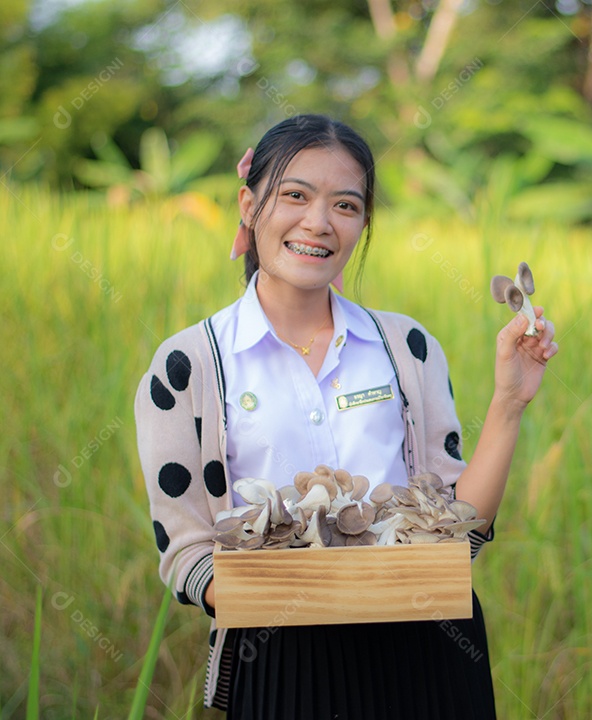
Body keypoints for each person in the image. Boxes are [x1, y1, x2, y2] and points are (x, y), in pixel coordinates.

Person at [134, 114, 558, 718]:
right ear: (249, 205)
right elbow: (185, 551)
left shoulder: (407, 348)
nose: (318, 222)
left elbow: (461, 530)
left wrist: (509, 401)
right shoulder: (187, 365)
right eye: (295, 195)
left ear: (362, 224)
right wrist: (293, 597)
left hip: (428, 654)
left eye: (346, 205)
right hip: (278, 665)